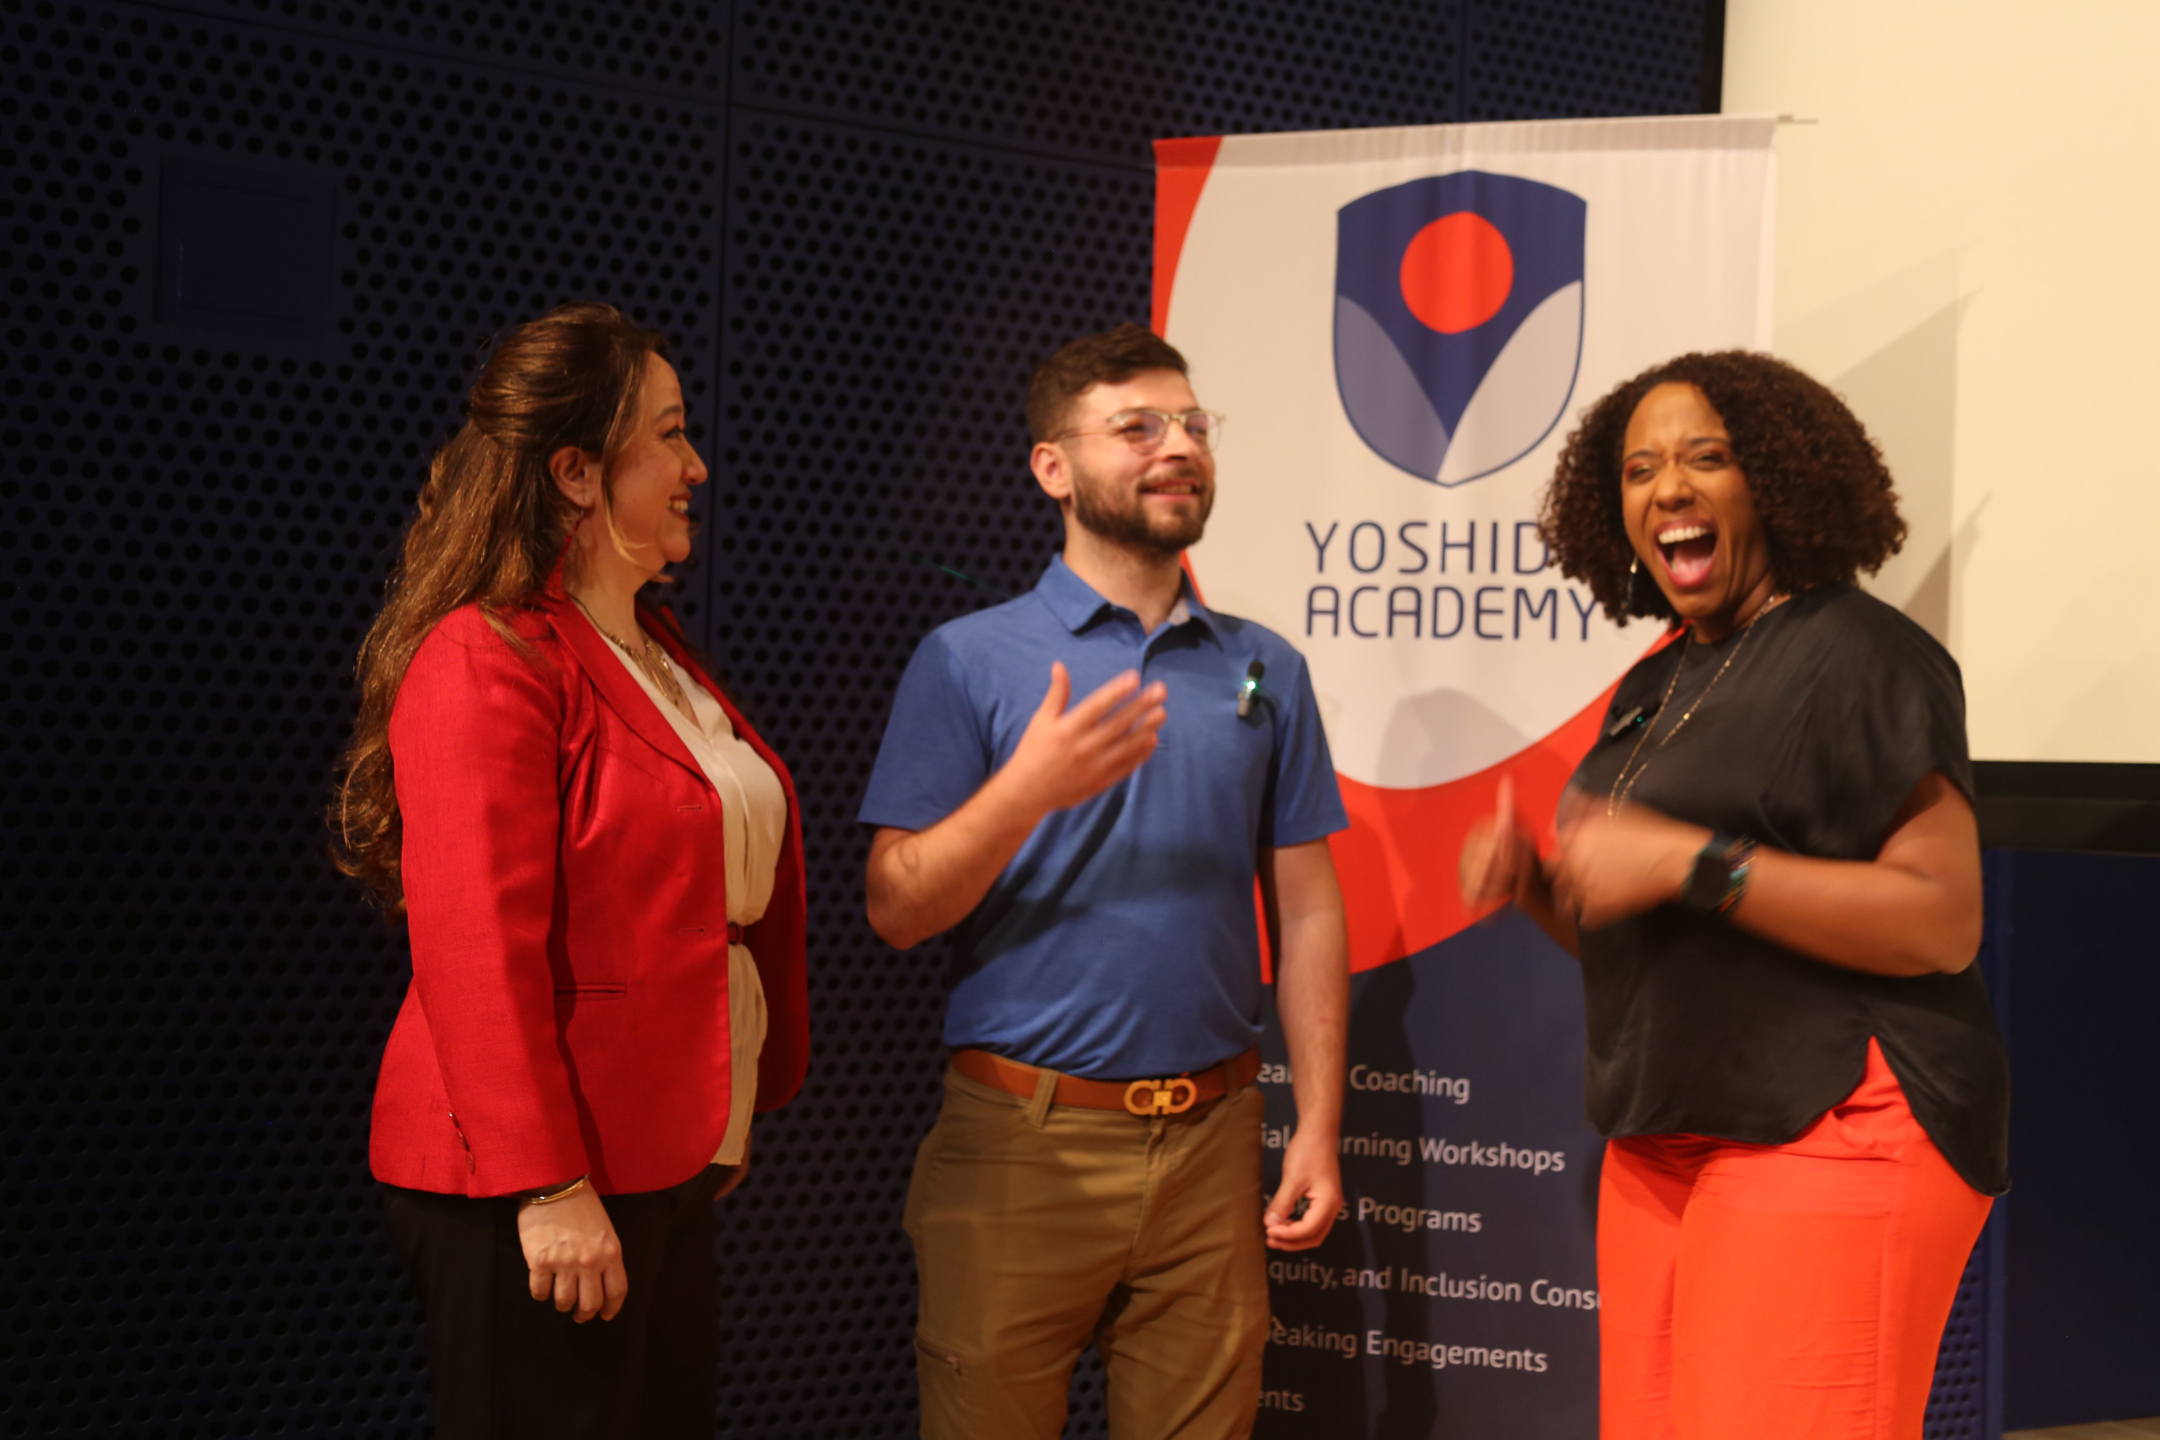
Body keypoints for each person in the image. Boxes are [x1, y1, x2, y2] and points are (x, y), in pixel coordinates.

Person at [1459, 351, 2009, 1440]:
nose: (1667, 487)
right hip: (1666, 1139)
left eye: (1705, 458)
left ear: (1777, 482)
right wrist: (1542, 889)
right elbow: (1659, 935)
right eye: (1639, 470)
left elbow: (1941, 920)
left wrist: (1693, 862)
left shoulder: (1862, 653)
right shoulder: (1656, 681)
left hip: (1831, 1121)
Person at [860, 323, 1351, 1440]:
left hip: (1214, 1145)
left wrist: (1317, 1125)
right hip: (1022, 1143)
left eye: (1192, 424)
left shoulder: (1265, 667)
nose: (1177, 447)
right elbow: (895, 906)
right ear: (1054, 467)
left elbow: (1309, 908)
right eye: (1137, 427)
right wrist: (1023, 792)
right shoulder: (968, 657)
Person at [330, 302, 808, 1440]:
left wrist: (725, 1102)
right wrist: (546, 1184)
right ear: (578, 472)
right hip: (536, 1175)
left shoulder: (657, 656)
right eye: (670, 435)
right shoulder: (485, 654)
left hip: (660, 1148)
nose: (697, 466)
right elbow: (473, 950)